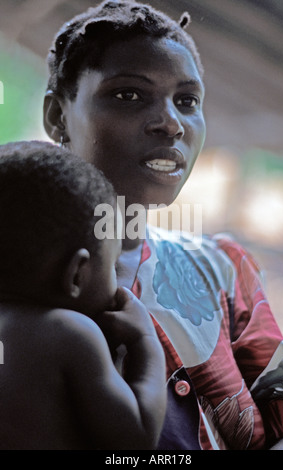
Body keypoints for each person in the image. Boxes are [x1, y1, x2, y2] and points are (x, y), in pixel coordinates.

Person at [43, 1, 283, 450]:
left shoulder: (223, 267)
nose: (171, 123)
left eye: (187, 101)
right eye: (129, 94)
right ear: (57, 117)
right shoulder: (23, 279)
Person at [0, 140, 166, 450]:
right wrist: (145, 341)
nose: (117, 279)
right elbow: (137, 440)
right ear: (77, 274)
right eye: (113, 265)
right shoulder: (69, 332)